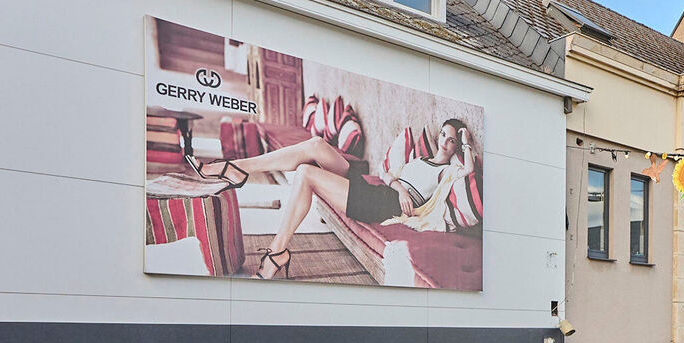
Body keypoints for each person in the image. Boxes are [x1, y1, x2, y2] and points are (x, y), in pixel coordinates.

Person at [189, 119, 472, 280]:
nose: (445, 142)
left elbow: (469, 169)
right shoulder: (420, 159)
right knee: (315, 145)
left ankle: (277, 251)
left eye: (451, 141)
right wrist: (398, 185)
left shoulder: (450, 170)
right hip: (379, 190)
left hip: (380, 205)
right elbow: (388, 175)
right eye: (444, 136)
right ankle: (239, 167)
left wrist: (466, 141)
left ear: (456, 147)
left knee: (305, 173)